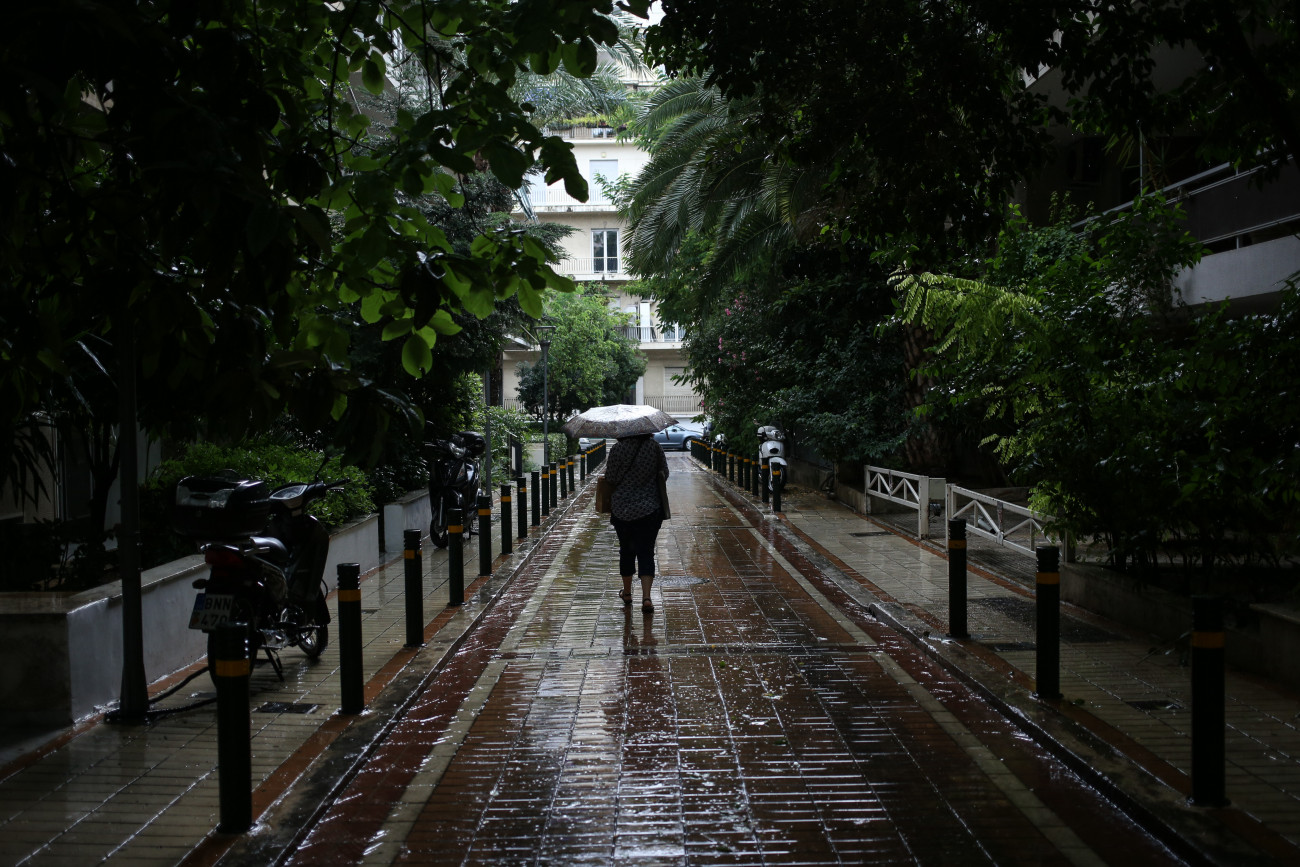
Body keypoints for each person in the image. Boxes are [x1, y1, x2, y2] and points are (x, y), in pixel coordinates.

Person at [603, 432, 670, 613]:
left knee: (626, 550)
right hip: (650, 508)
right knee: (646, 551)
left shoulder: (617, 449)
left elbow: (610, 478)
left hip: (622, 509)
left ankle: (627, 593)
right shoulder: (654, 446)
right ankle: (647, 598)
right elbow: (665, 473)